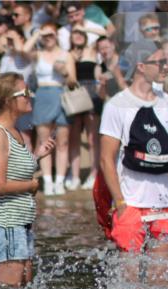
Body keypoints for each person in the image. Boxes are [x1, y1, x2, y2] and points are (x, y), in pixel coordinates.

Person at [98, 40, 168, 284]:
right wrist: (120, 202)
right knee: (129, 280)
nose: (166, 66)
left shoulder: (166, 101)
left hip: (164, 201)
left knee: (160, 278)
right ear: (141, 66)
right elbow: (105, 160)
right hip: (130, 201)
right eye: (160, 61)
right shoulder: (117, 105)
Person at [0, 73, 56, 287]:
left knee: (24, 288)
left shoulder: (15, 132)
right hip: (6, 223)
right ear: (7, 100)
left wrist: (37, 156)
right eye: (25, 93)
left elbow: (13, 169)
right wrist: (31, 185)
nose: (30, 96)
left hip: (21, 222)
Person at [25, 23, 74, 195]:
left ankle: (59, 180)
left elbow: (73, 82)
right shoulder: (38, 54)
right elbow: (24, 50)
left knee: (63, 142)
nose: (48, 38)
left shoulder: (66, 55)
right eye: (45, 36)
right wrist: (37, 33)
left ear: (57, 35)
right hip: (43, 95)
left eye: (51, 35)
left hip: (61, 94)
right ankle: (48, 181)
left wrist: (64, 72)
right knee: (44, 141)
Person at [68, 28, 100, 190]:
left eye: (81, 34)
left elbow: (108, 33)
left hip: (92, 93)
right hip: (74, 95)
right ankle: (74, 176)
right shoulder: (67, 54)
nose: (79, 36)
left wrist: (82, 26)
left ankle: (94, 174)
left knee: (93, 138)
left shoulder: (92, 49)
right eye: (75, 33)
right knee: (74, 138)